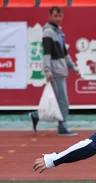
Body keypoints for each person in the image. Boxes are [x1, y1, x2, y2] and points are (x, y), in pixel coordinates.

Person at [29, 6, 80, 137]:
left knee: (58, 101)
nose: (58, 18)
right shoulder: (48, 32)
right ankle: (62, 126)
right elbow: (46, 54)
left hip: (61, 71)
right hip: (55, 72)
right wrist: (47, 72)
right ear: (50, 16)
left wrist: (73, 67)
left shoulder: (59, 32)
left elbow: (64, 53)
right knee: (63, 101)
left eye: (60, 16)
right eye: (55, 16)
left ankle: (36, 115)